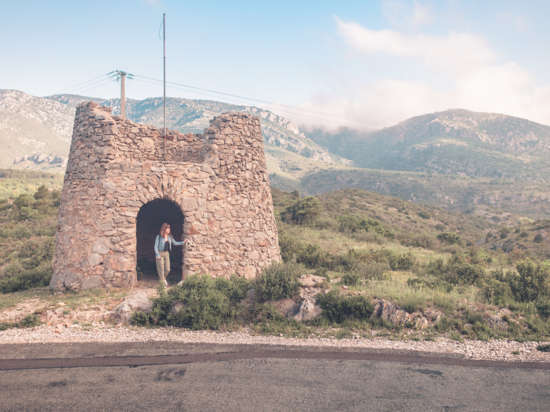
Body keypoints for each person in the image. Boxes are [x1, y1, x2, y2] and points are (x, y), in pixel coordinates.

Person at [154, 222, 185, 287]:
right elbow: (155, 247)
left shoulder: (170, 237)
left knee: (168, 269)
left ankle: (162, 279)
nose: (169, 230)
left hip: (166, 254)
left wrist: (183, 242)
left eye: (169, 228)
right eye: (168, 228)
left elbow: (175, 243)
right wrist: (157, 255)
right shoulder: (159, 237)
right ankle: (163, 285)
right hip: (160, 253)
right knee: (161, 269)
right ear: (164, 229)